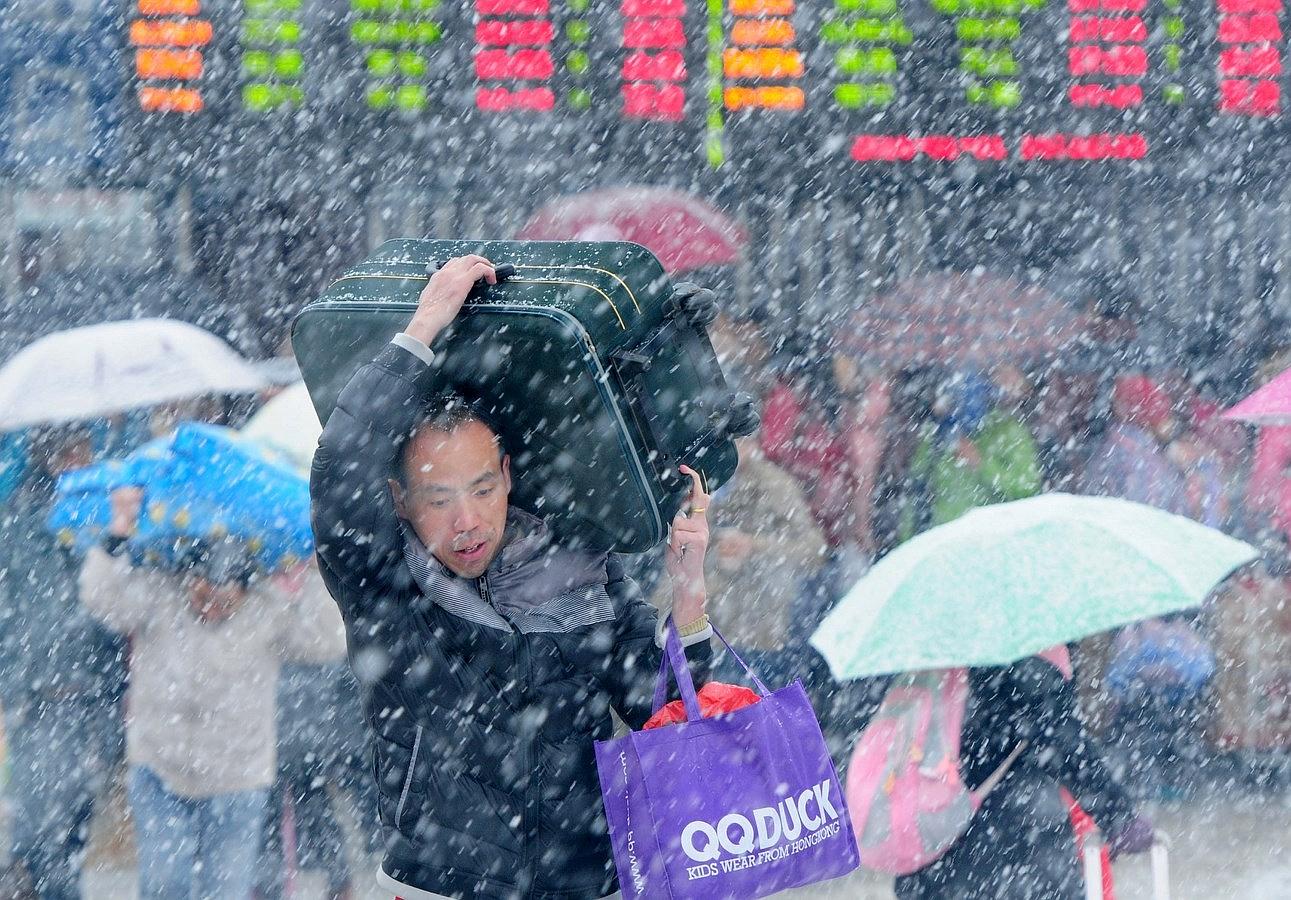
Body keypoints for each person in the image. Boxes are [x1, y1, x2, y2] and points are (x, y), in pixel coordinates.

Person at [309, 254, 716, 900]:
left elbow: (667, 715)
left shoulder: (580, 570)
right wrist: (421, 331)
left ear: (506, 475)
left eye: (480, 488)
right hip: (437, 884)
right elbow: (338, 474)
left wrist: (688, 601)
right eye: (439, 499)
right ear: (399, 501)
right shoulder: (383, 587)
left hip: (585, 881)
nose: (466, 520)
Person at [79, 490, 345, 900]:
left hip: (238, 777)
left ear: (244, 587)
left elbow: (329, 640)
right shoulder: (158, 596)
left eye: (224, 597)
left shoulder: (266, 611)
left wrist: (314, 571)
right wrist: (118, 530)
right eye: (202, 593)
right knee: (166, 884)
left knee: (226, 890)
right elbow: (100, 598)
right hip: (160, 767)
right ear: (187, 578)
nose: (211, 606)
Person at [894, 655, 1154, 900]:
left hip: (932, 849)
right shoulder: (1023, 653)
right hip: (1014, 841)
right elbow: (1061, 741)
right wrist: (1118, 815)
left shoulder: (917, 654)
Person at [0, 424, 128, 900]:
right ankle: (33, 881)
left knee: (74, 823)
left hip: (91, 694)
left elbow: (112, 606)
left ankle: (42, 883)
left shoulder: (99, 514)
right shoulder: (19, 522)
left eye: (85, 452)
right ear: (50, 456)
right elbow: (10, 613)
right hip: (41, 697)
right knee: (40, 824)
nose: (80, 460)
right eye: (73, 452)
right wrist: (13, 688)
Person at [898, 371, 1042, 541]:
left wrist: (981, 464)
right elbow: (917, 490)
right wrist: (907, 543)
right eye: (953, 399)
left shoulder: (1008, 431)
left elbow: (1028, 488)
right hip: (940, 543)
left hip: (991, 542)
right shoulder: (934, 434)